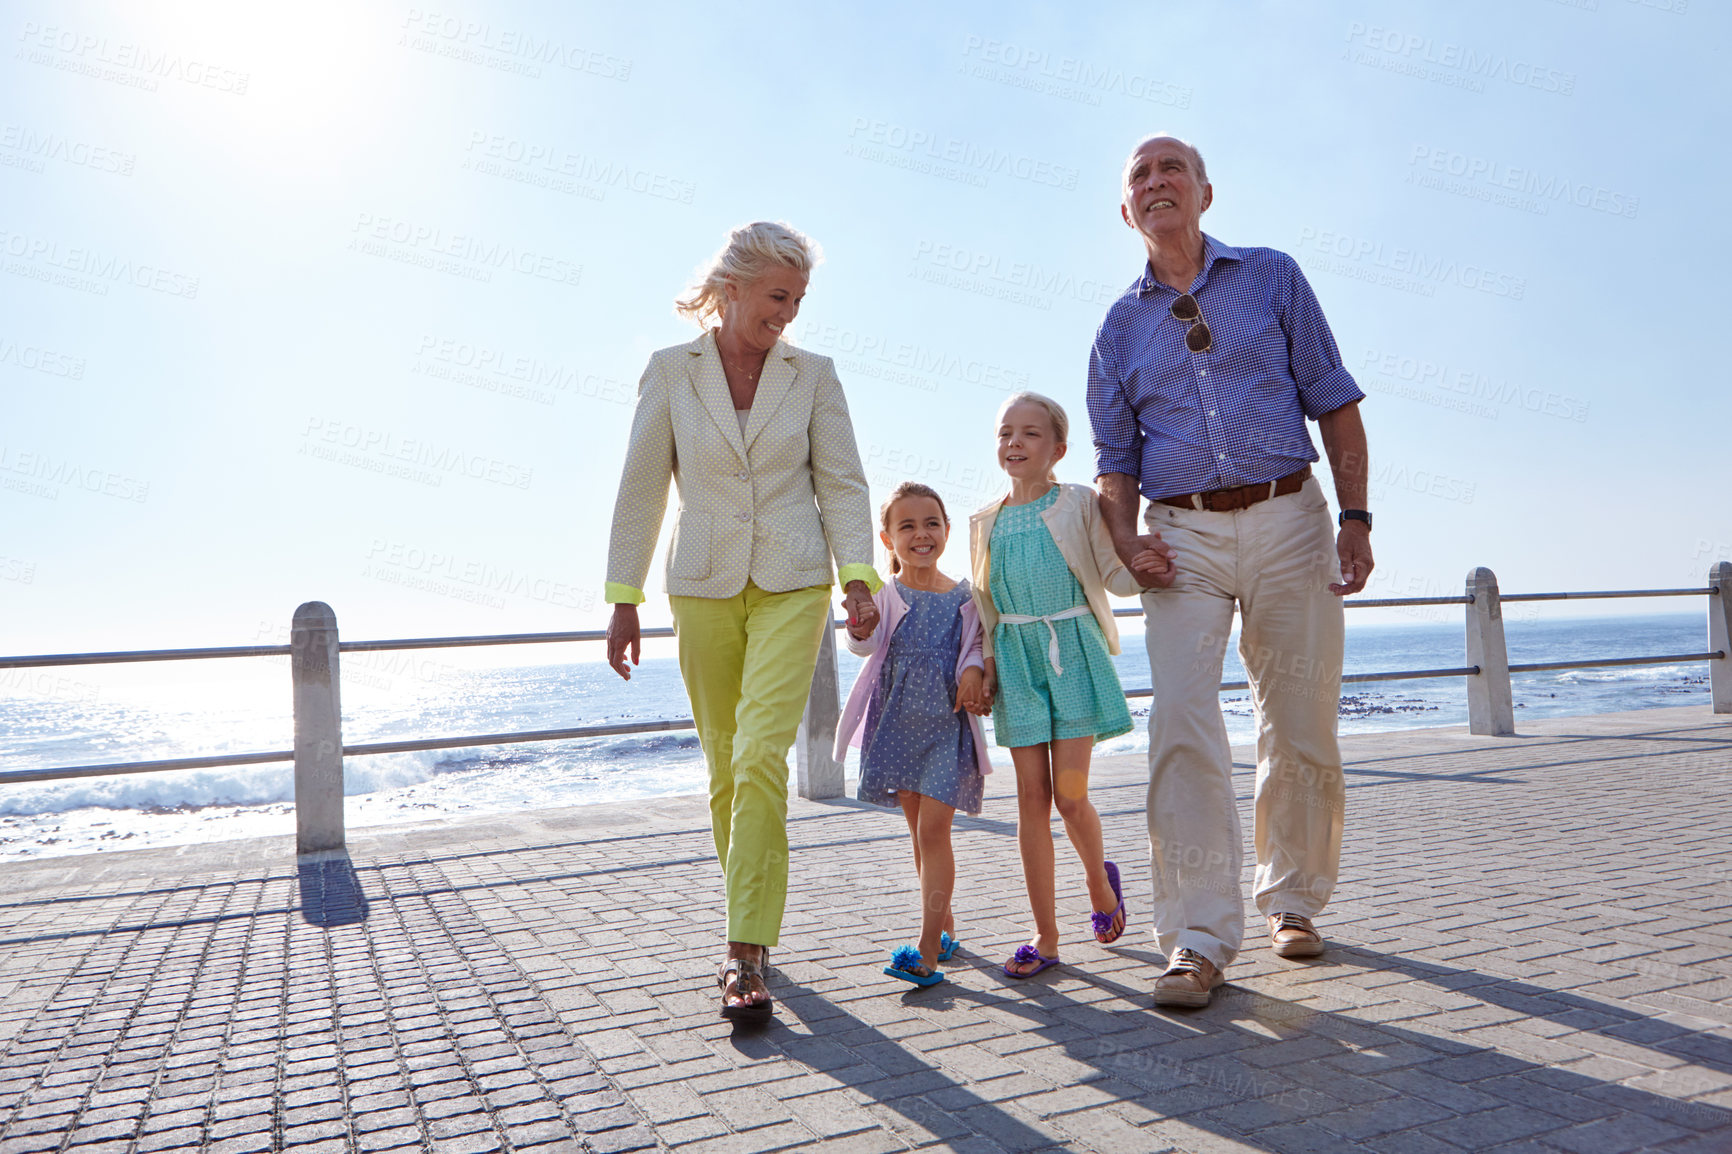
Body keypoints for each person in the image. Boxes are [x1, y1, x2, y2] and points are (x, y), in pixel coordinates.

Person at [1089, 134, 1375, 1008]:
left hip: (1292, 517)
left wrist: (1356, 518)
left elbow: (1335, 398)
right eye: (1140, 176)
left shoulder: (1273, 276)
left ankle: (1292, 898)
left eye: (1171, 168)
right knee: (1180, 720)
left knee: (1299, 717)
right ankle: (1196, 940)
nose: (1157, 181)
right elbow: (1115, 464)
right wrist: (1128, 541)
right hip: (1182, 536)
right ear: (1125, 211)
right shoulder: (1117, 328)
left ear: (1205, 192)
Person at [604, 221, 882, 1023]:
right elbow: (641, 488)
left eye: (797, 299)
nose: (788, 313)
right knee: (727, 768)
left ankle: (743, 949)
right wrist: (624, 597)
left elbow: (845, 484)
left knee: (763, 755)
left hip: (794, 583)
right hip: (701, 585)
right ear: (730, 291)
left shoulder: (814, 376)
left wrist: (857, 579)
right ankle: (749, 921)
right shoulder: (670, 373)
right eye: (776, 296)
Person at [968, 392, 1171, 979]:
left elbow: (1110, 570)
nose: (1014, 442)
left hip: (1073, 655)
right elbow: (985, 608)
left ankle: (1098, 880)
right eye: (1006, 432)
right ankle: (1046, 935)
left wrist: (1146, 569)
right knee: (1030, 799)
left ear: (1057, 449)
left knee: (1070, 795)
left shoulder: (1079, 502)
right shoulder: (985, 521)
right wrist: (983, 668)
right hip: (1017, 660)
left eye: (1030, 434)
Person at [834, 482, 993, 988]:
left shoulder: (966, 596)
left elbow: (978, 645)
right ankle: (944, 927)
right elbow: (865, 644)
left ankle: (926, 950)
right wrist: (859, 626)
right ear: (887, 538)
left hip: (947, 724)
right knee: (917, 835)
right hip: (897, 724)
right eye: (907, 526)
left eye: (931, 524)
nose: (921, 534)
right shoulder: (885, 594)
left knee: (933, 832)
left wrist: (972, 670)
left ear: (947, 530)